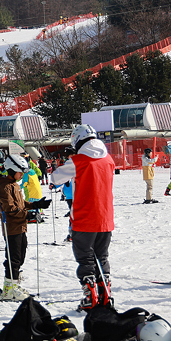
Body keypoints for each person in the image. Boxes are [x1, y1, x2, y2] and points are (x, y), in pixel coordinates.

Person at [50, 124, 116, 311]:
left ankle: (90, 296)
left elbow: (56, 178)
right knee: (101, 256)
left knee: (85, 258)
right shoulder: (108, 158)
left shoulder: (78, 160)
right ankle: (105, 293)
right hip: (105, 217)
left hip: (84, 217)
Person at [0, 155, 50, 301]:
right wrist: (28, 215)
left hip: (20, 227)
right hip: (12, 228)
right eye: (20, 172)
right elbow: (11, 209)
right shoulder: (5, 187)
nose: (22, 175)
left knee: (20, 256)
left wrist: (36, 205)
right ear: (12, 171)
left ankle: (13, 285)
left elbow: (21, 203)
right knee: (13, 257)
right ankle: (9, 289)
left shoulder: (15, 185)